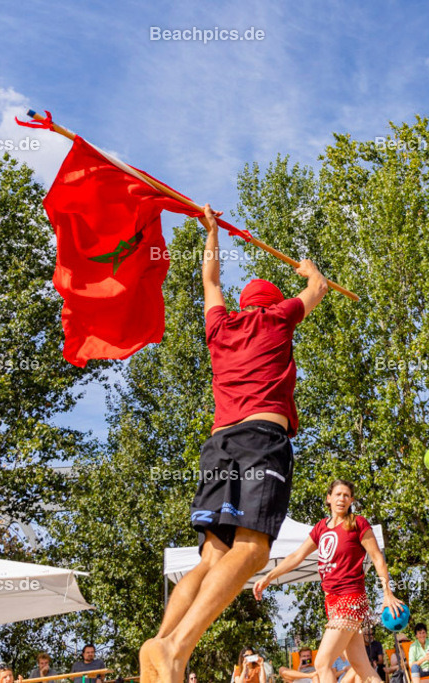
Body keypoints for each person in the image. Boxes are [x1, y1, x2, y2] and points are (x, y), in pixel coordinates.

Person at [140, 203, 329, 683]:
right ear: (271, 305)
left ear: (245, 303)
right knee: (254, 551)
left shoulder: (219, 327)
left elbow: (211, 282)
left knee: (213, 556)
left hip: (219, 441)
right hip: (260, 439)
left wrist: (210, 233)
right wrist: (309, 270)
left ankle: (162, 643)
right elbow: (318, 289)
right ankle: (178, 648)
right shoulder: (276, 320)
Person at [255, 480, 403, 683]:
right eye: (338, 494)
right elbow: (296, 556)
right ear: (329, 498)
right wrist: (268, 577)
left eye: (346, 495)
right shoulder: (321, 529)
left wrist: (387, 593)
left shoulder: (357, 523)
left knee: (322, 663)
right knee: (361, 667)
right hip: (332, 604)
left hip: (350, 599)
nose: (342, 498)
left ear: (351, 500)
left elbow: (377, 557)